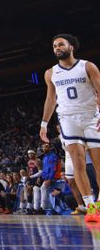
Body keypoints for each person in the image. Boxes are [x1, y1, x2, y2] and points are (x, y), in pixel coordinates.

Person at [40, 33, 100, 222]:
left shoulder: (87, 66)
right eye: (54, 46)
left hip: (91, 117)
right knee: (78, 164)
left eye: (60, 45)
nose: (57, 48)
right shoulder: (50, 73)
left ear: (71, 46)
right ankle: (90, 206)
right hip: (68, 119)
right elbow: (51, 99)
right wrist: (44, 124)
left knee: (99, 165)